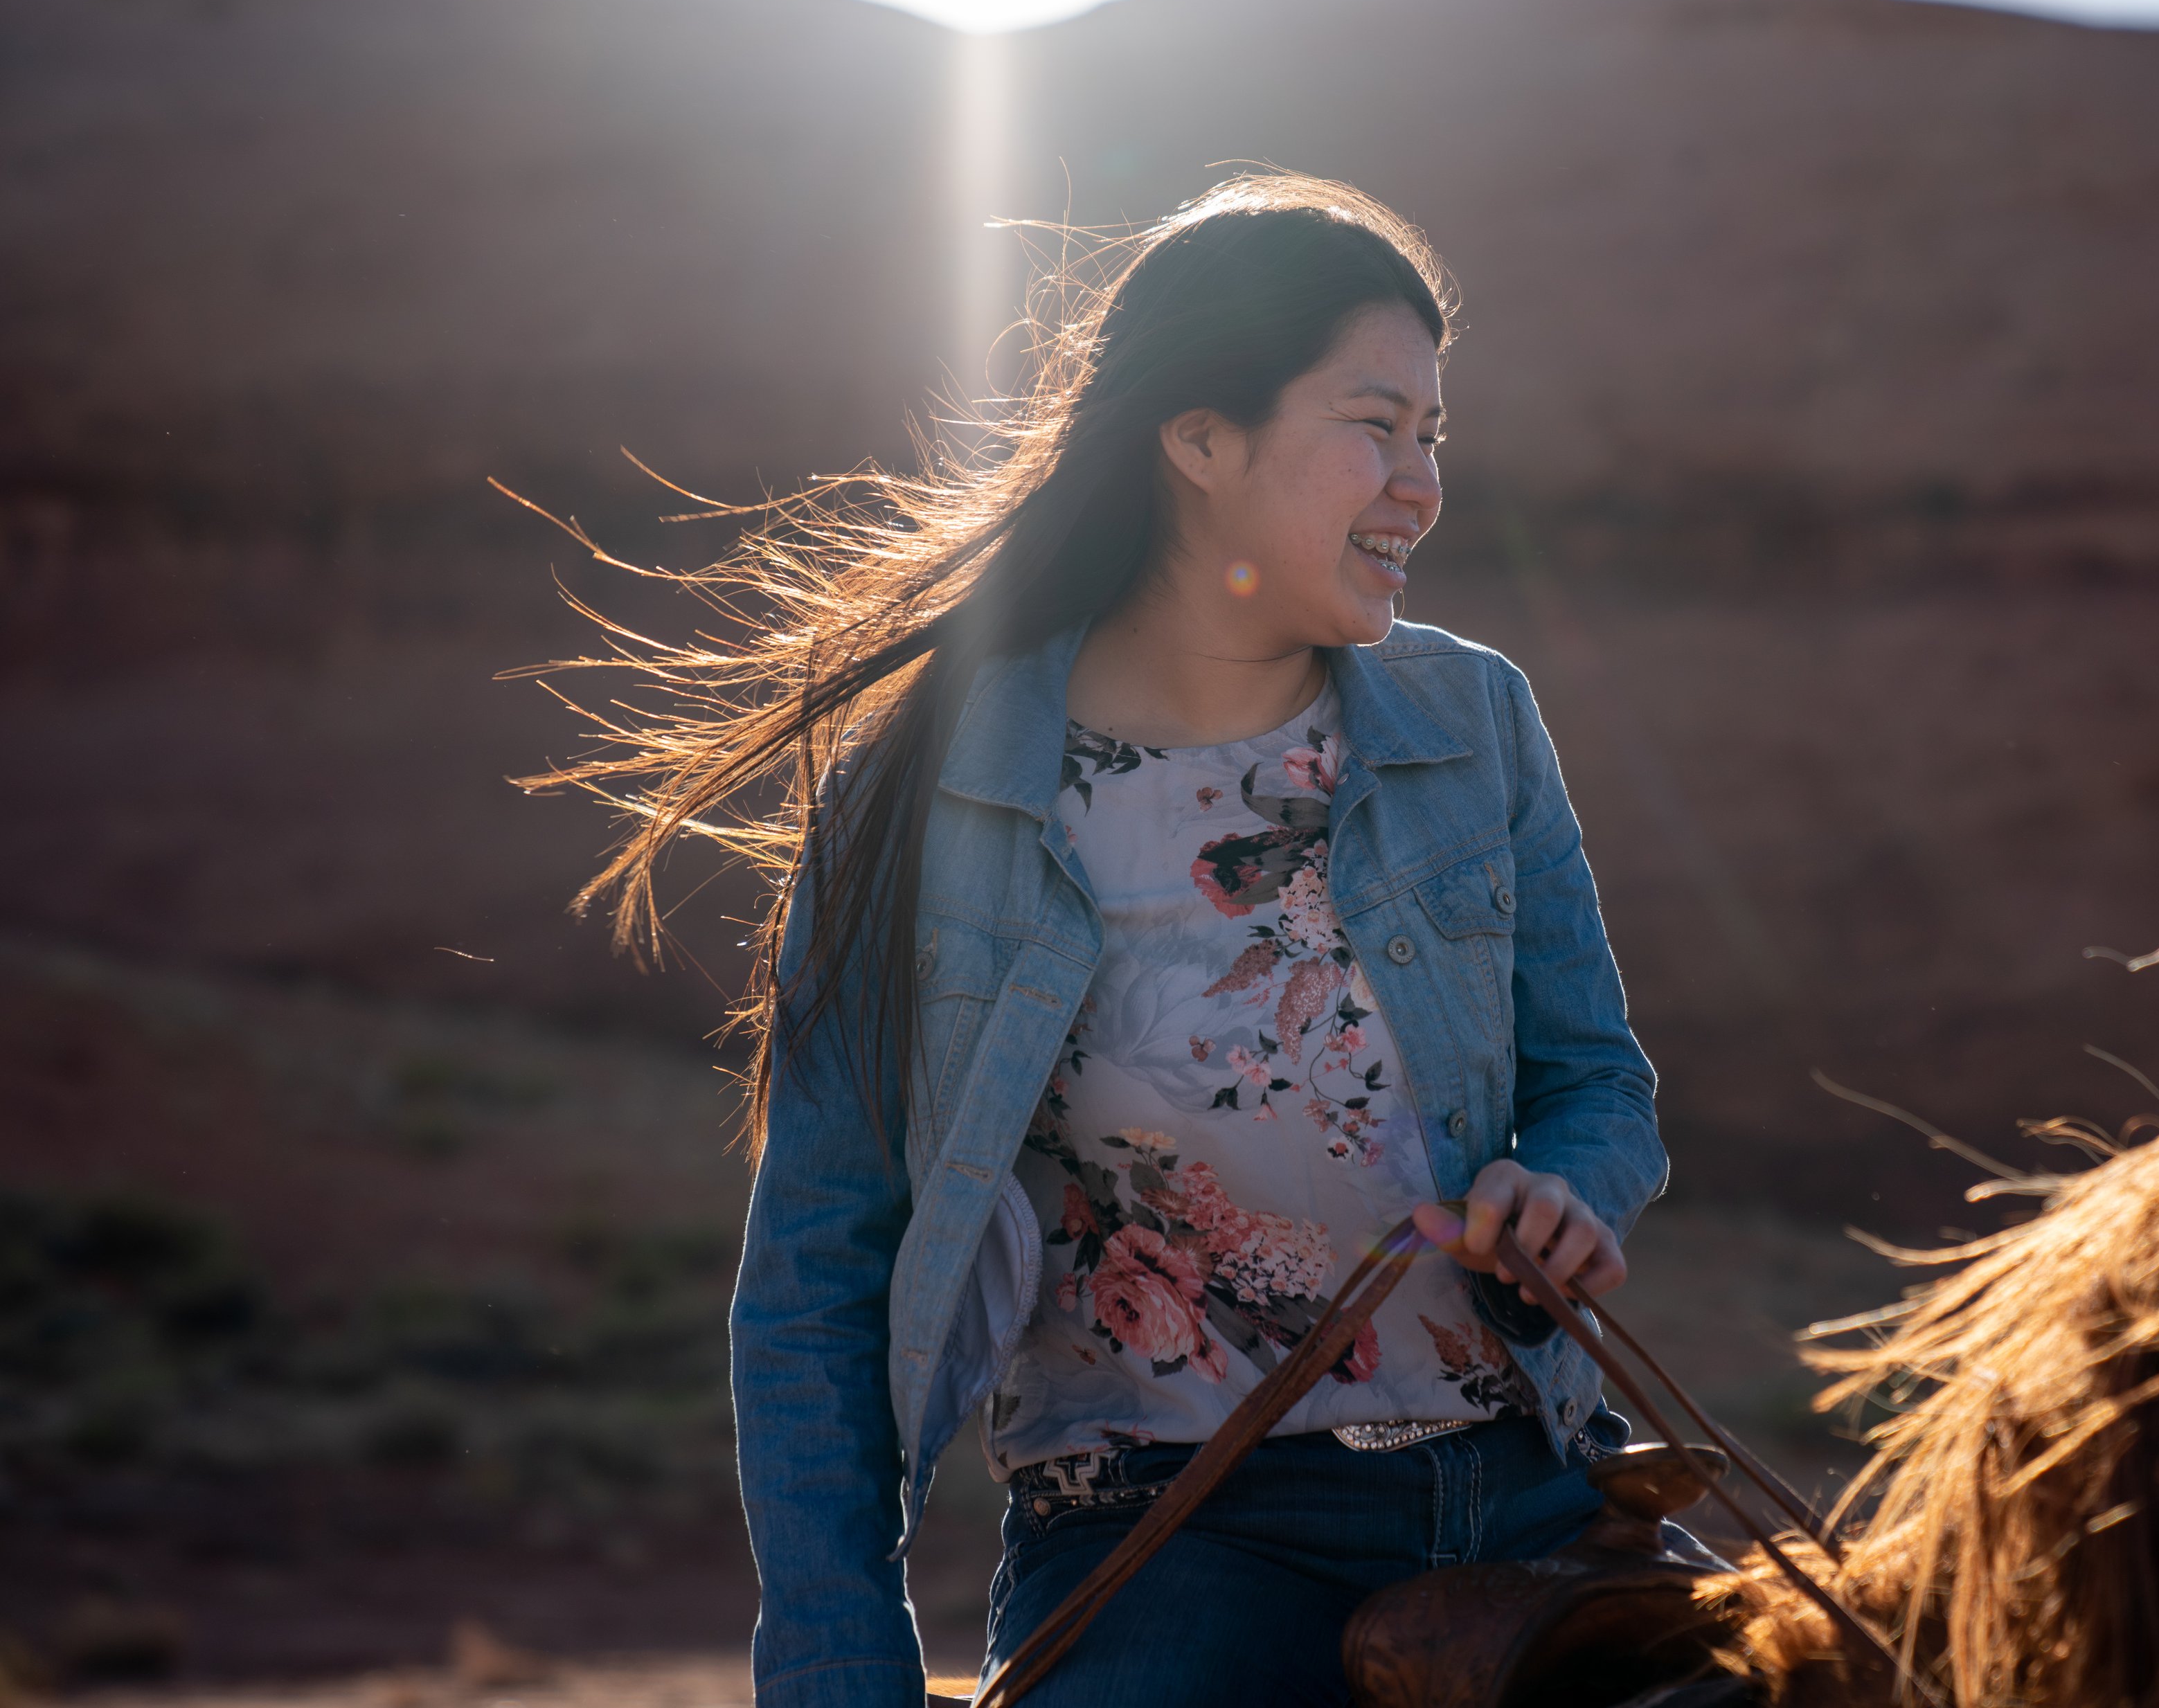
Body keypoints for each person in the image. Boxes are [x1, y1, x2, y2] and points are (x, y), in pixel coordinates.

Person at [542, 173, 1665, 1707]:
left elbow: (1599, 1083)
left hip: (1530, 1490)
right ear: (1201, 439)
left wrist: (1568, 1190)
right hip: (1169, 1537)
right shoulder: (933, 789)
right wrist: (838, 1663)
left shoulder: (1476, 723)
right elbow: (819, 1267)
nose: (1421, 484)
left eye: (1434, 437)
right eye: (1374, 424)